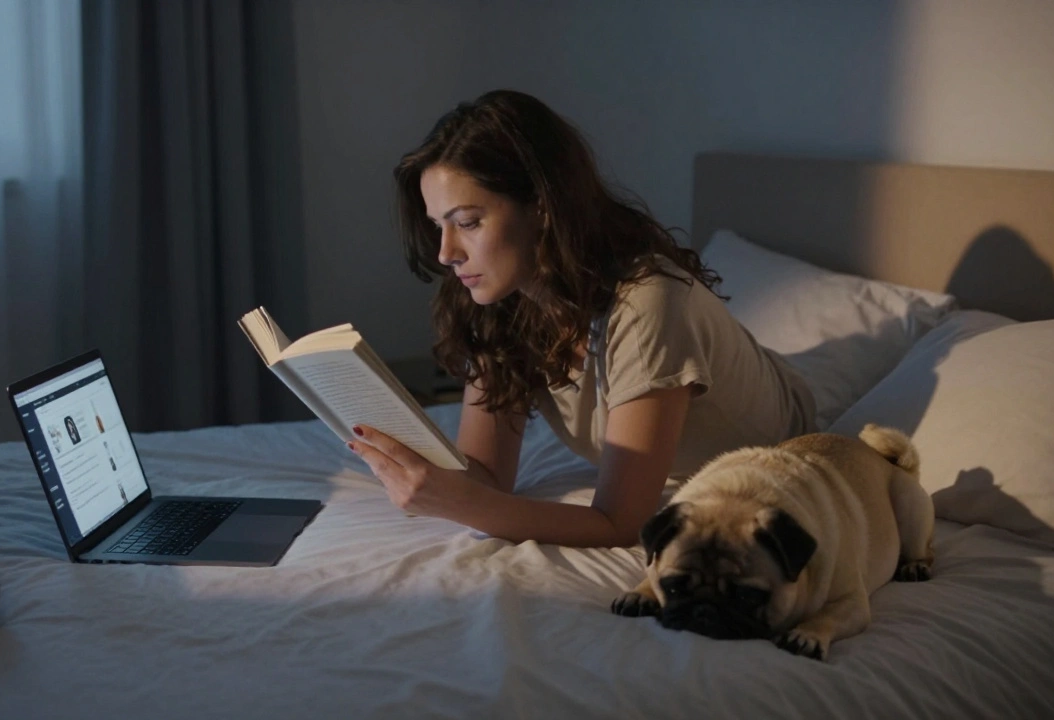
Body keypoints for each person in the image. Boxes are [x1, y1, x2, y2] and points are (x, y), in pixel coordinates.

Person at [349, 90, 816, 548]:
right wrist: (410, 467)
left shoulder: (648, 304)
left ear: (541, 207)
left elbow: (621, 524)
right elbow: (488, 475)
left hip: (783, 431)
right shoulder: (502, 298)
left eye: (468, 222)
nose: (446, 253)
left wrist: (463, 505)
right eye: (438, 226)